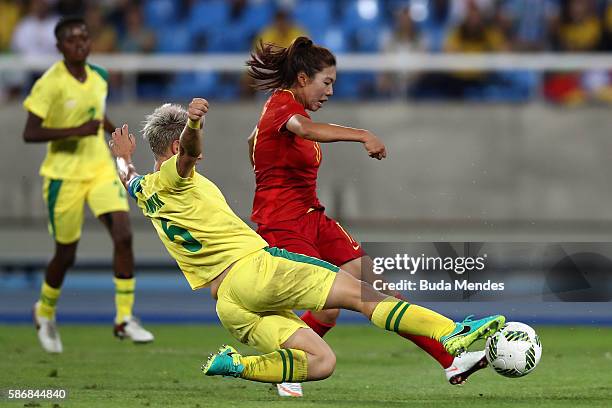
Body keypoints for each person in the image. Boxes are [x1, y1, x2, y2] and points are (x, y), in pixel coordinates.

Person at [108, 97, 505, 385]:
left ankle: (237, 366)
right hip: (256, 271)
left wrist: (122, 157)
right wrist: (194, 124)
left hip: (228, 304)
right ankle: (451, 332)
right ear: (175, 147)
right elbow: (189, 155)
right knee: (365, 295)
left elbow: (128, 177)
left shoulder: (145, 189)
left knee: (320, 362)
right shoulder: (177, 176)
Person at [246, 36, 489, 385]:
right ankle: (288, 368)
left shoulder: (281, 112)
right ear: (302, 79)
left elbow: (253, 141)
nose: (329, 92)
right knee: (330, 302)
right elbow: (306, 130)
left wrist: (260, 158)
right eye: (326, 82)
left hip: (313, 218)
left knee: (375, 285)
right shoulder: (283, 106)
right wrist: (362, 134)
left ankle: (451, 360)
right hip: (283, 225)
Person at [22, 16, 153, 353]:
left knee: (123, 234)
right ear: (59, 46)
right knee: (66, 254)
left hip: (98, 168)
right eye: (72, 40)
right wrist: (74, 131)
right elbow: (30, 132)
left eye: (84, 38)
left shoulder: (100, 76)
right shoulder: (50, 83)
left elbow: (97, 116)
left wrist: (117, 136)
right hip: (63, 175)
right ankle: (45, 311)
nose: (80, 44)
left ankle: (124, 318)